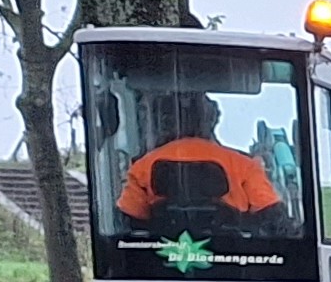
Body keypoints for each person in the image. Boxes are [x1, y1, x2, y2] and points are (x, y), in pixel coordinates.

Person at [117, 89, 286, 225]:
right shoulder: (245, 166)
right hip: (235, 259)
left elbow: (128, 222)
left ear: (165, 122)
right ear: (212, 121)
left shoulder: (142, 167)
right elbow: (272, 217)